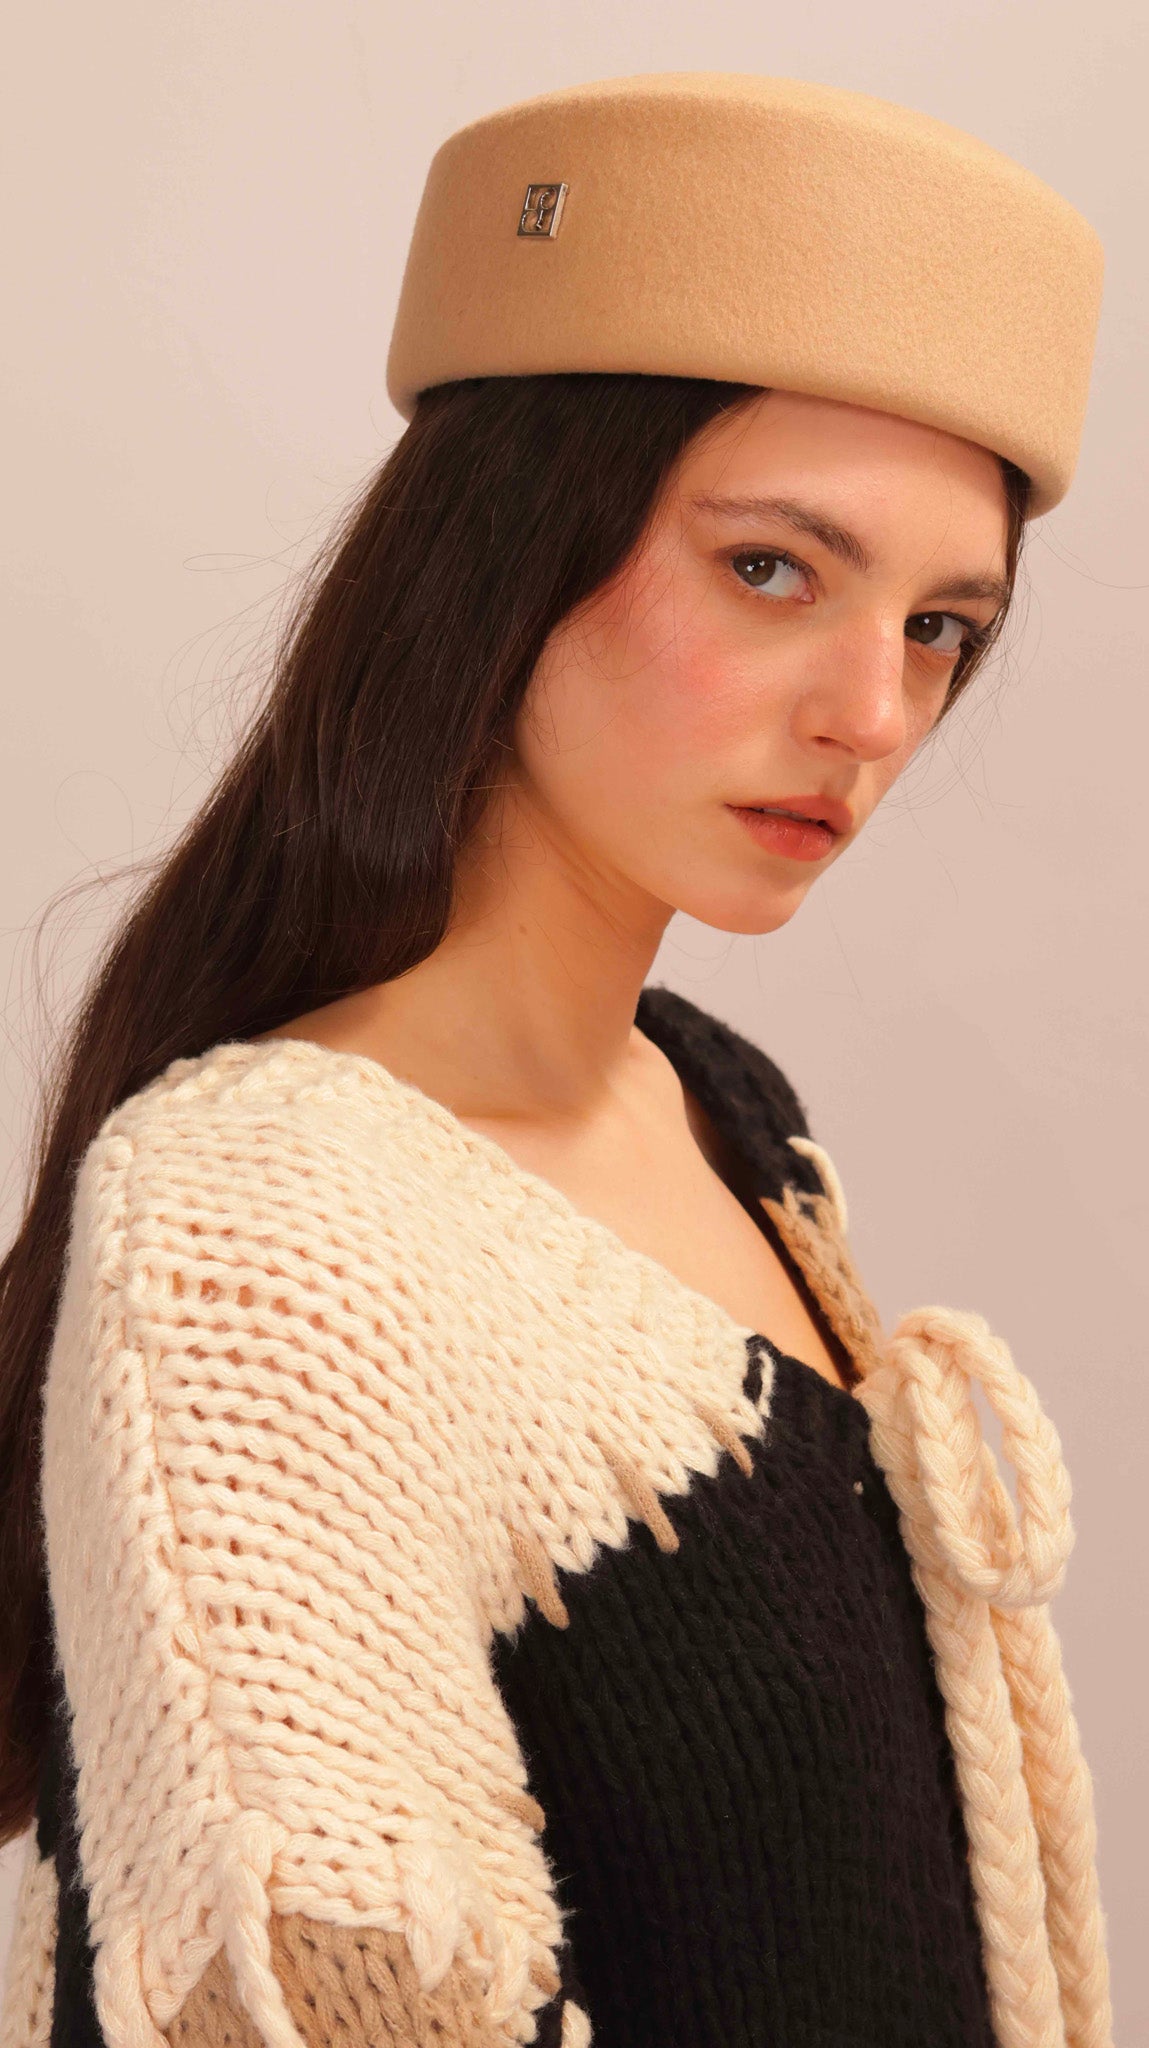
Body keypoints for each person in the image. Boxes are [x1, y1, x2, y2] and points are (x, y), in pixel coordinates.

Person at [0, 70, 1112, 2048]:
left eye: (941, 625)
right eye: (769, 568)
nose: (871, 710)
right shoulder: (263, 1236)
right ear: (507, 548)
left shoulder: (721, 1109)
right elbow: (317, 1995)